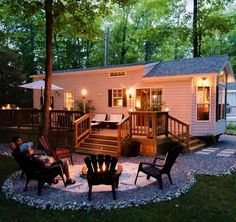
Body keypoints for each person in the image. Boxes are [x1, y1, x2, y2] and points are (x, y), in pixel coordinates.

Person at [11, 136, 76, 185]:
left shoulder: (22, 157)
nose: (21, 141)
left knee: (49, 159)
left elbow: (34, 161)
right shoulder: (30, 159)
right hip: (45, 170)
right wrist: (45, 162)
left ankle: (51, 179)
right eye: (19, 141)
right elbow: (40, 164)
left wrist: (32, 154)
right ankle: (68, 180)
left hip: (37, 170)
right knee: (65, 161)